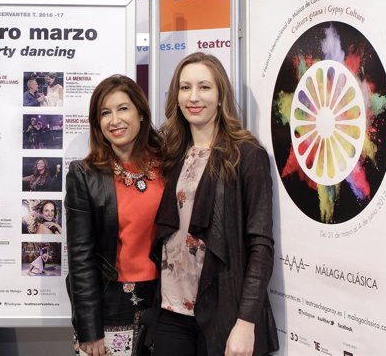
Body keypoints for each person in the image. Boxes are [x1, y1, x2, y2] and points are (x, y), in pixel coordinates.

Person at [148, 52, 278, 356]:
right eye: (185, 87)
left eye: (204, 87)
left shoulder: (246, 155)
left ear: (221, 95)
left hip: (223, 312)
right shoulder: (173, 152)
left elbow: (260, 245)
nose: (194, 97)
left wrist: (246, 322)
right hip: (170, 309)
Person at [65, 75, 164, 356]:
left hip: (163, 302)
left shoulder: (168, 164)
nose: (114, 120)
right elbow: (80, 258)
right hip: (108, 305)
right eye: (105, 113)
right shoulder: (84, 174)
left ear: (141, 114)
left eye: (123, 108)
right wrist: (89, 330)